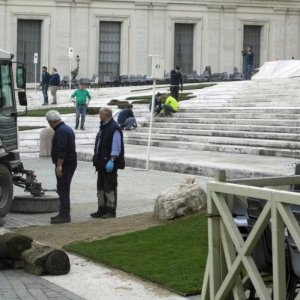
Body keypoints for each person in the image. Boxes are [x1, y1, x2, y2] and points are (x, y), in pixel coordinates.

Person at [91, 107, 125, 219]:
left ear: (106, 115)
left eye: (100, 114)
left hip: (109, 164)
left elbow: (116, 147)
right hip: (101, 164)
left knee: (109, 188)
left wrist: (112, 160)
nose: (99, 116)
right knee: (100, 188)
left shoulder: (114, 128)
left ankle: (110, 211)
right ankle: (101, 209)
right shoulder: (103, 126)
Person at [45, 110, 77, 224]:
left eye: (49, 122)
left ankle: (64, 215)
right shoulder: (66, 128)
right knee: (63, 188)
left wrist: (59, 165)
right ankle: (63, 213)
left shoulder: (61, 131)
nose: (49, 124)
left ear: (52, 121)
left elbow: (62, 149)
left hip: (65, 164)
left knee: (63, 189)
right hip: (69, 163)